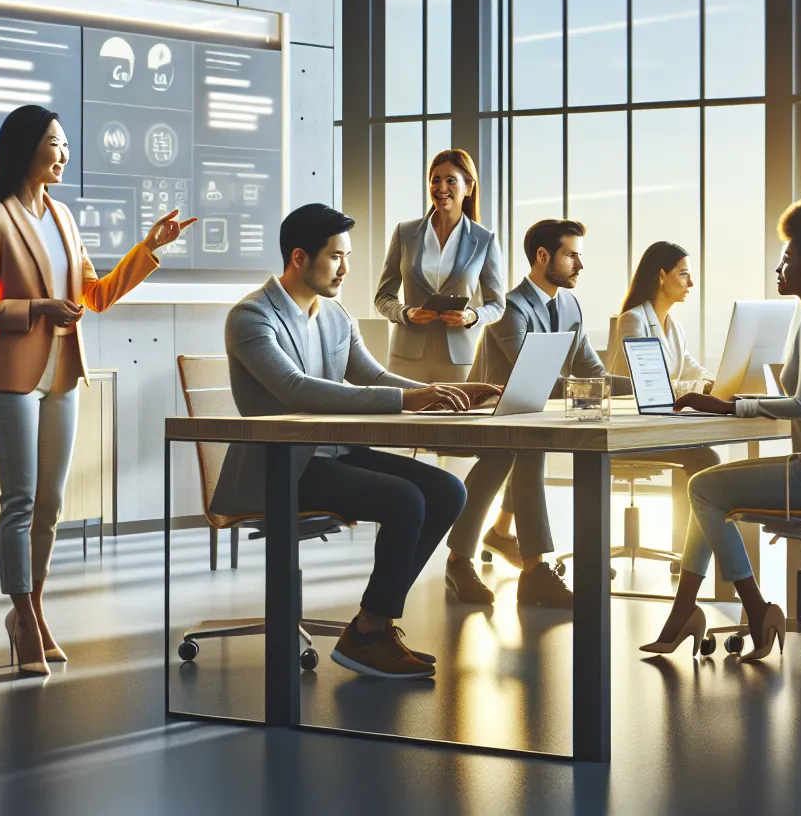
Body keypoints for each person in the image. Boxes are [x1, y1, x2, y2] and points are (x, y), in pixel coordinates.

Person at [213, 204, 498, 679]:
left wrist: (448, 393)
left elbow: (372, 375)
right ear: (299, 258)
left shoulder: (334, 314)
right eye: (335, 257)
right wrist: (411, 400)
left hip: (331, 453)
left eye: (347, 256)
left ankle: (372, 624)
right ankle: (370, 633)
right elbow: (296, 389)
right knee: (405, 499)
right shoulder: (250, 317)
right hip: (281, 465)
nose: (346, 268)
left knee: (449, 491)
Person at [0, 104, 194, 677]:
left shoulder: (64, 218)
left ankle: (32, 611)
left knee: (52, 504)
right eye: (55, 144)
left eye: (66, 145)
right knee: (18, 502)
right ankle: (21, 611)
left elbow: (94, 295)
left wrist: (149, 248)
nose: (64, 154)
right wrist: (39, 307)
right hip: (14, 378)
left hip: (63, 373)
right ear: (26, 148)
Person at [640, 198, 801, 661]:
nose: (780, 266)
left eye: (789, 257)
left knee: (704, 489)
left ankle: (756, 607)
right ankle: (683, 612)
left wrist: (729, 407)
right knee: (705, 490)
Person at [442, 219, 624, 608]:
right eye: (571, 254)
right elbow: (535, 376)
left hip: (531, 416)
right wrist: (591, 392)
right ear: (543, 257)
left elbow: (590, 369)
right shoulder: (510, 307)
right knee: (520, 451)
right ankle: (530, 570)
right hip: (494, 414)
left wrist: (648, 387)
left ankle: (483, 562)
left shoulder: (570, 304)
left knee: (523, 451)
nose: (580, 264)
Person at [606, 241, 724, 560]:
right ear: (662, 276)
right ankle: (692, 556)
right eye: (684, 274)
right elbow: (652, 385)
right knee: (705, 459)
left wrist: (716, 382)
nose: (691, 283)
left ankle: (690, 552)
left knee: (703, 455)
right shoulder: (633, 320)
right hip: (629, 431)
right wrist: (700, 387)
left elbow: (688, 365)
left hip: (660, 427)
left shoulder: (674, 327)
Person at [374, 148, 506, 384]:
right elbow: (383, 297)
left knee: (454, 420)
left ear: (469, 187)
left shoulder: (484, 240)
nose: (441, 188)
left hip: (459, 359)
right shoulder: (405, 233)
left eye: (450, 181)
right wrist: (406, 313)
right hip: (406, 357)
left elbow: (497, 304)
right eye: (436, 180)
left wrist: (471, 316)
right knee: (402, 420)